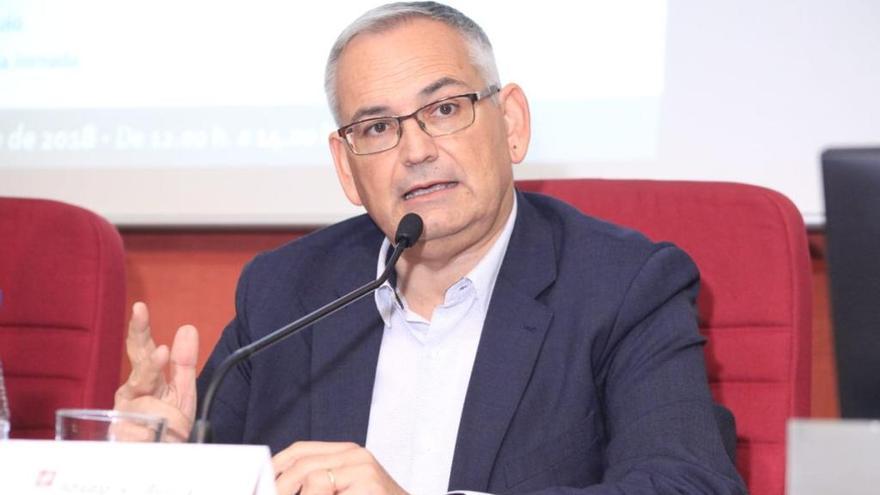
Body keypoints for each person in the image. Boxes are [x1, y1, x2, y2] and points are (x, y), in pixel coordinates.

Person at [114, 2, 746, 494]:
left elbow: (689, 485)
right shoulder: (285, 291)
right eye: (379, 126)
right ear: (346, 165)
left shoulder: (624, 286)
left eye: (444, 108)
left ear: (513, 123)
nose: (416, 151)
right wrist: (168, 467)